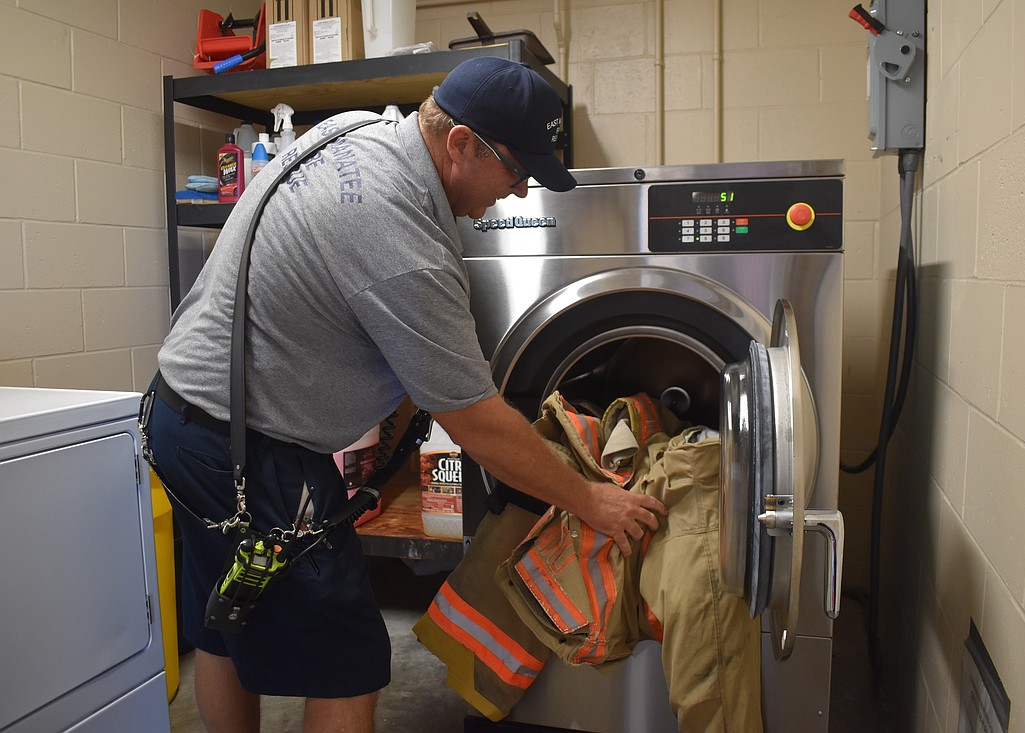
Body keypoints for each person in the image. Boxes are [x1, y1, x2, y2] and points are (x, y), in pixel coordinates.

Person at [144, 57, 667, 733]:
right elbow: (476, 422)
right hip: (244, 448)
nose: (517, 191)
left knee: (226, 615)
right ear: (460, 143)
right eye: (516, 171)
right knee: (350, 661)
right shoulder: (397, 233)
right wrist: (591, 498)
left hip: (182, 416)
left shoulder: (361, 130)